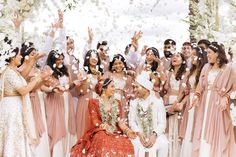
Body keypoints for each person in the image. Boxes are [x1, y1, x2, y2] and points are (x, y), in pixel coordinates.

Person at [0, 45, 50, 157]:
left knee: (17, 136)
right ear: (12, 57)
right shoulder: (9, 72)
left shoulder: (14, 72)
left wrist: (34, 60)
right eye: (19, 55)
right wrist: (39, 78)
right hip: (11, 110)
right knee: (12, 136)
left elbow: (23, 74)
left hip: (15, 108)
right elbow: (23, 90)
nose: (21, 56)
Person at [191, 42, 236, 157]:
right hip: (204, 103)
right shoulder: (206, 67)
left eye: (210, 52)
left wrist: (226, 97)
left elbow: (234, 89)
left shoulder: (228, 69)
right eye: (207, 53)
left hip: (217, 105)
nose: (207, 55)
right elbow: (200, 85)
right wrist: (196, 95)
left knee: (219, 132)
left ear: (217, 53)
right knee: (201, 128)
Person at [70, 78, 136, 157]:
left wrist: (127, 131)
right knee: (103, 140)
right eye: (112, 86)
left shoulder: (117, 102)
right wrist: (105, 127)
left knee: (126, 142)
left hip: (115, 131)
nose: (114, 89)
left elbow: (119, 121)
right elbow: (95, 121)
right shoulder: (93, 102)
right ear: (104, 88)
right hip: (100, 130)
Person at [43, 50, 77, 157]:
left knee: (67, 123)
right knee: (57, 124)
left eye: (62, 58)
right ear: (52, 60)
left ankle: (67, 151)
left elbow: (68, 86)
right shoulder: (47, 70)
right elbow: (43, 86)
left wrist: (74, 84)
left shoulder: (65, 70)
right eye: (58, 59)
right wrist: (53, 89)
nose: (60, 61)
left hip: (67, 98)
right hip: (55, 99)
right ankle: (57, 152)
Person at [128, 71, 168, 157]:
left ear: (145, 88)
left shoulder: (157, 101)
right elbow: (131, 122)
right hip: (139, 135)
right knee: (132, 144)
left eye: (136, 87)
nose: (134, 90)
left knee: (164, 144)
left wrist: (154, 135)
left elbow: (162, 123)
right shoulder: (133, 103)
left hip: (155, 135)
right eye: (134, 87)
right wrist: (139, 133)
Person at [179, 46, 207, 157]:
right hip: (190, 101)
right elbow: (187, 90)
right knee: (189, 126)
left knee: (196, 125)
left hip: (198, 101)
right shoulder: (191, 71)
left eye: (195, 54)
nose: (192, 56)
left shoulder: (203, 70)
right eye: (192, 54)